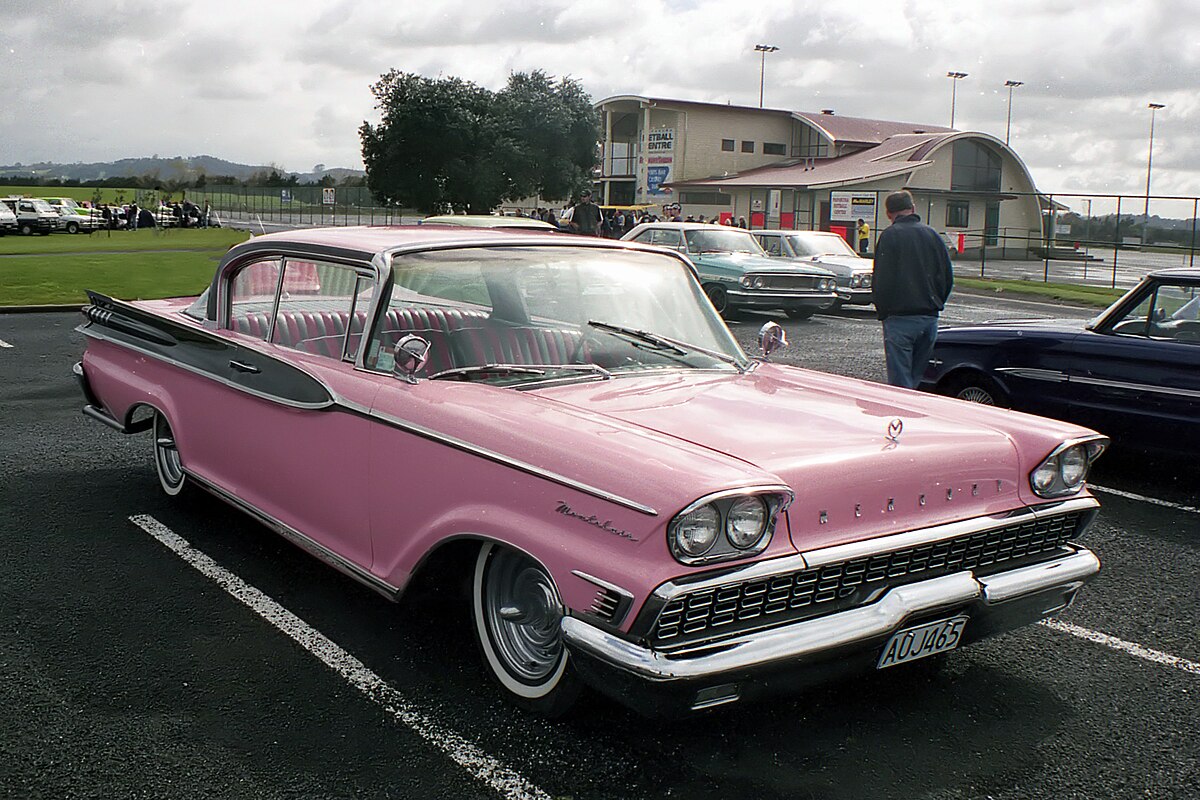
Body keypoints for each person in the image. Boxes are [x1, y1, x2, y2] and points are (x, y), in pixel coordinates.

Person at [872, 190, 953, 389]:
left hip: (899, 317)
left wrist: (883, 310)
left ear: (889, 213)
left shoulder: (890, 235)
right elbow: (946, 276)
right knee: (916, 379)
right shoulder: (932, 234)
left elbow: (882, 279)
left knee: (900, 382)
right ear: (913, 208)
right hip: (929, 317)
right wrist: (936, 302)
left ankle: (901, 417)